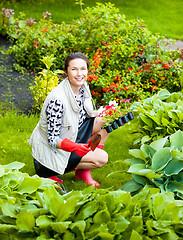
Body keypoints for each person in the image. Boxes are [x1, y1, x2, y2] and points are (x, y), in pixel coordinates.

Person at [29, 52, 109, 187]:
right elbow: (52, 139)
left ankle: (83, 171)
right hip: (51, 152)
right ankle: (49, 172)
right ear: (66, 72)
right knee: (102, 158)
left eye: (83, 69)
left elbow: (84, 116)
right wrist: (75, 147)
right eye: (74, 69)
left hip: (73, 135)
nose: (79, 74)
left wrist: (110, 113)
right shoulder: (57, 100)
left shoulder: (83, 88)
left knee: (106, 122)